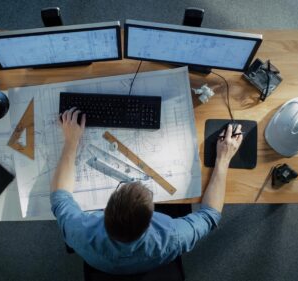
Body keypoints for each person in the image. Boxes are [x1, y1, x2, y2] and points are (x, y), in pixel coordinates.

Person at [51, 107, 243, 275]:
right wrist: (223, 159)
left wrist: (71, 142)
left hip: (100, 262)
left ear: (104, 211)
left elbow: (59, 195)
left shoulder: (79, 231)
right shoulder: (173, 237)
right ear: (152, 217)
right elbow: (211, 215)